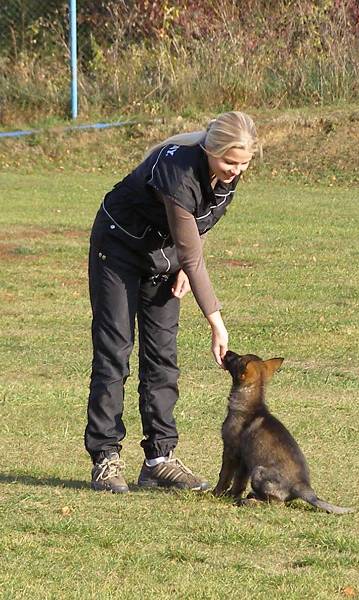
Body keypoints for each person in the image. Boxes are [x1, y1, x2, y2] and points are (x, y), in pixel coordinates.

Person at [85, 111, 258, 493]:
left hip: (164, 255)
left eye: (243, 164)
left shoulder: (227, 176)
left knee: (162, 355)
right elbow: (191, 250)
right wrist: (217, 322)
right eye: (230, 161)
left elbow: (199, 228)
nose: (235, 171)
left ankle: (159, 460)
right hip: (119, 249)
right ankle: (105, 457)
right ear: (211, 150)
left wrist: (182, 263)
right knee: (115, 350)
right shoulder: (177, 168)